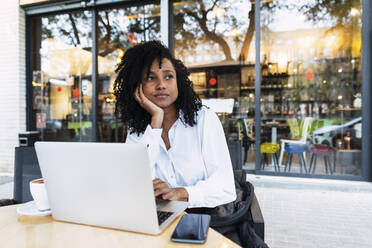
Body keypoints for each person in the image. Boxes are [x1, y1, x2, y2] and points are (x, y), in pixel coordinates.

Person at [114, 40, 236, 208]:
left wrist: (181, 193)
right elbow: (131, 185)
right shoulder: (138, 132)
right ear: (137, 88)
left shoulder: (204, 120)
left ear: (178, 81)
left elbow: (225, 186)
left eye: (168, 76)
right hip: (156, 218)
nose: (161, 85)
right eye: (150, 78)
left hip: (204, 220)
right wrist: (156, 121)